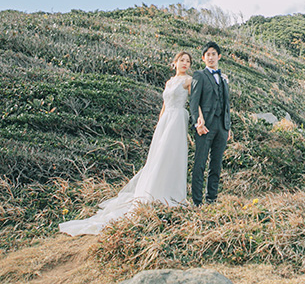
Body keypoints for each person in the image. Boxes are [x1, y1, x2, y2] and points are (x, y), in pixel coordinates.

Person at [59, 51, 193, 235]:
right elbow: (163, 106)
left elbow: (195, 103)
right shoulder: (169, 82)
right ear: (175, 63)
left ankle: (170, 193)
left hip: (178, 119)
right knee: (158, 156)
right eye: (181, 60)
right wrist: (159, 124)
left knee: (172, 155)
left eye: (187, 61)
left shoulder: (189, 81)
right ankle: (152, 190)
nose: (184, 63)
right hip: (165, 121)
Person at [189, 41, 232, 206]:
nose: (211, 57)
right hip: (205, 126)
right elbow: (194, 102)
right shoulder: (199, 75)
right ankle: (197, 202)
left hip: (222, 127)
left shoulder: (223, 78)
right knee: (200, 163)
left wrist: (228, 127)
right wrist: (196, 123)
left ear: (219, 56)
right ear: (203, 58)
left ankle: (211, 199)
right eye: (208, 54)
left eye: (214, 54)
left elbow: (227, 104)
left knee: (216, 164)